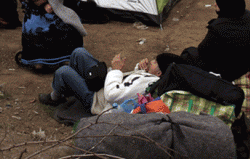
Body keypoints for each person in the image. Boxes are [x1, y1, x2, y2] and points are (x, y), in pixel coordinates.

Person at [38, 47, 166, 114]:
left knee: (63, 71)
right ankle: (71, 87)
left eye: (154, 62)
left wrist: (116, 70)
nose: (150, 61)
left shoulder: (148, 84)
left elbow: (113, 95)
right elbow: (131, 82)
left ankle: (55, 97)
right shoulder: (149, 78)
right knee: (79, 53)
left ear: (159, 73)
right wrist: (140, 69)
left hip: (98, 100)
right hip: (104, 85)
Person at [175, 0, 250, 82]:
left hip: (230, 72)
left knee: (189, 53)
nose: (215, 4)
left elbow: (203, 51)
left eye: (218, 2)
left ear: (225, 5)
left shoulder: (219, 27)